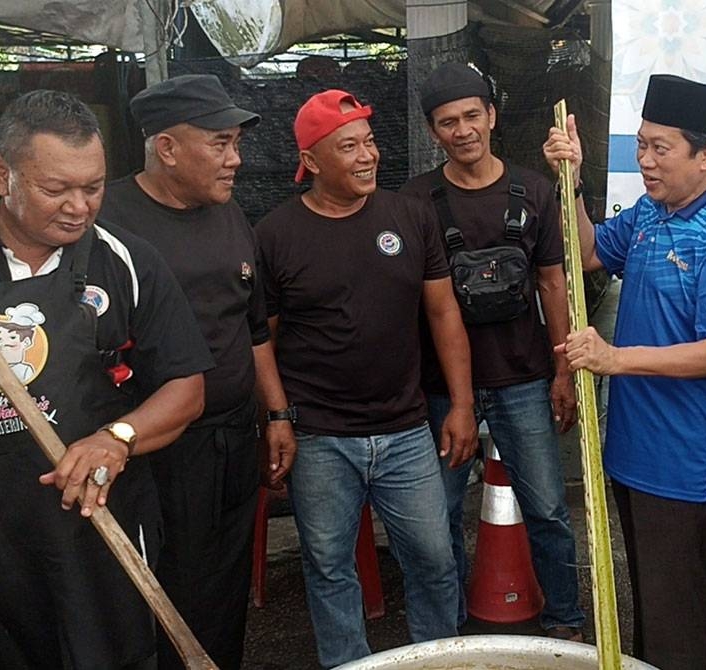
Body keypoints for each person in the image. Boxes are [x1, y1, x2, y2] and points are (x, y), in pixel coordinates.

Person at [544, 74, 706, 669]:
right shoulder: (649, 212)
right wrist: (575, 178)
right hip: (634, 447)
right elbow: (589, 251)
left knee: (678, 614)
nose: (644, 160)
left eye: (660, 148)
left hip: (686, 459)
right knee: (646, 603)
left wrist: (613, 358)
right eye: (640, 145)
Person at [255, 89, 477, 667]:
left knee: (433, 558)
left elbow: (443, 312)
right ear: (311, 160)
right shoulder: (277, 233)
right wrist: (277, 417)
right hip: (321, 436)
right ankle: (346, 663)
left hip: (406, 431)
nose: (367, 156)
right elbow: (263, 341)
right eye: (348, 146)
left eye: (370, 142)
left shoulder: (409, 215)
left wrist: (460, 404)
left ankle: (438, 658)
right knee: (329, 566)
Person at [0, 90, 212, 669]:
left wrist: (115, 439)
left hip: (99, 524)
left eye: (92, 187)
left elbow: (185, 388)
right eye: (55, 189)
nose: (79, 206)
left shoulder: (123, 260)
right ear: (3, 177)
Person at [98, 73, 296, 670]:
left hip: (233, 437)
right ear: (166, 148)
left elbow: (253, 326)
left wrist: (278, 413)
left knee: (224, 584)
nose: (236, 160)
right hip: (157, 451)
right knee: (161, 584)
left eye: (236, 143)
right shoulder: (106, 221)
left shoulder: (230, 213)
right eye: (220, 143)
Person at [399, 61, 584, 639]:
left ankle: (564, 619)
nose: (462, 131)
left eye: (471, 116)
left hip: (524, 377)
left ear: (492, 117)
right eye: (447, 122)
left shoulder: (533, 189)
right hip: (441, 389)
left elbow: (554, 282)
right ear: (433, 132)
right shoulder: (416, 200)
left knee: (549, 508)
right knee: (440, 516)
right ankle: (446, 632)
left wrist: (563, 371)